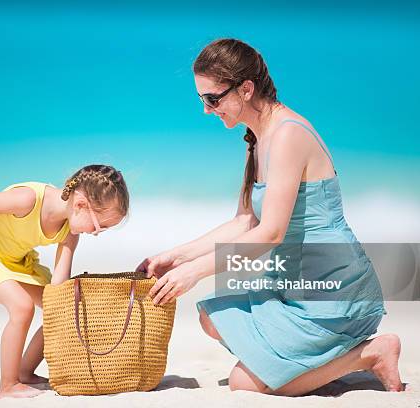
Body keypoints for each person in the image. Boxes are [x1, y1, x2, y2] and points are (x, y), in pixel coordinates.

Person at [139, 38, 404, 396]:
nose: (206, 110)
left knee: (242, 383)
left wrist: (195, 273)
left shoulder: (287, 135)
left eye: (212, 99)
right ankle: (310, 364)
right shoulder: (257, 138)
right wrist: (176, 257)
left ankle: (369, 354)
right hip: (293, 285)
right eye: (202, 99)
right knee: (211, 318)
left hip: (332, 293)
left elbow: (271, 233)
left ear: (245, 89)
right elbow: (245, 221)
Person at [0, 164, 129, 398]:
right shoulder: (27, 199)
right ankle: (7, 385)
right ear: (80, 204)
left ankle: (25, 372)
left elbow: (58, 286)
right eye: (99, 225)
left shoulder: (70, 232)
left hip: (19, 261)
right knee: (21, 307)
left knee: (58, 308)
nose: (96, 233)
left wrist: (63, 305)